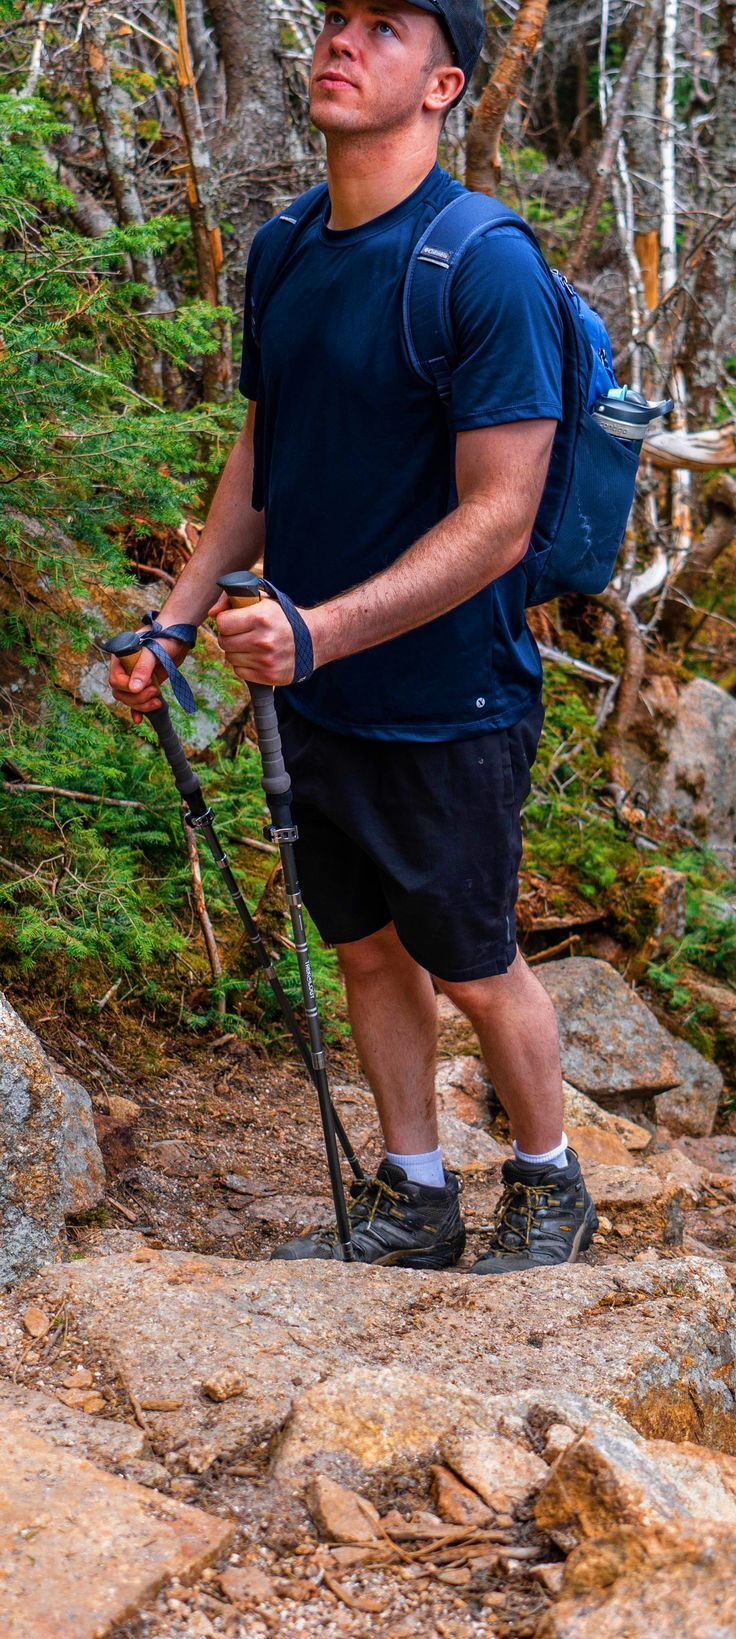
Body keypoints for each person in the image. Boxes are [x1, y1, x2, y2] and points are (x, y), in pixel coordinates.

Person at [109, 0, 598, 1274]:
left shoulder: (479, 261)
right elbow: (263, 455)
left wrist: (317, 631)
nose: (340, 41)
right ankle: (416, 1192)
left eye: (383, 30)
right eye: (335, 20)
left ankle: (548, 1184)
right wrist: (171, 625)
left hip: (446, 693)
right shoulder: (282, 246)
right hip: (311, 688)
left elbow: (499, 519)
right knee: (367, 949)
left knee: (476, 961)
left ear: (441, 87)